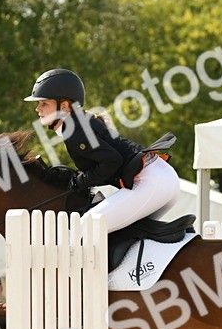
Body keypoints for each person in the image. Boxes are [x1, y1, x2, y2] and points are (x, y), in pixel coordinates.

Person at [25, 68, 180, 234]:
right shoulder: (79, 124)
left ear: (63, 106)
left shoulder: (76, 130)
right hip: (162, 179)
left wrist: (81, 181)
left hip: (151, 182)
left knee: (82, 230)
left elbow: (112, 161)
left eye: (44, 104)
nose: (38, 109)